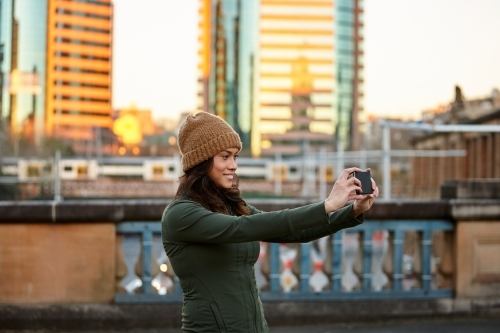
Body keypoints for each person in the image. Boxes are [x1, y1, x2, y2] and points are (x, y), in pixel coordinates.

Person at [161, 112, 379, 333]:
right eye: (225, 156)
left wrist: (352, 211)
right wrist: (327, 204)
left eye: (235, 156)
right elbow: (243, 228)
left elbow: (294, 232)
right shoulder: (180, 214)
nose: (233, 165)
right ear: (201, 161)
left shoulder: (231, 206)